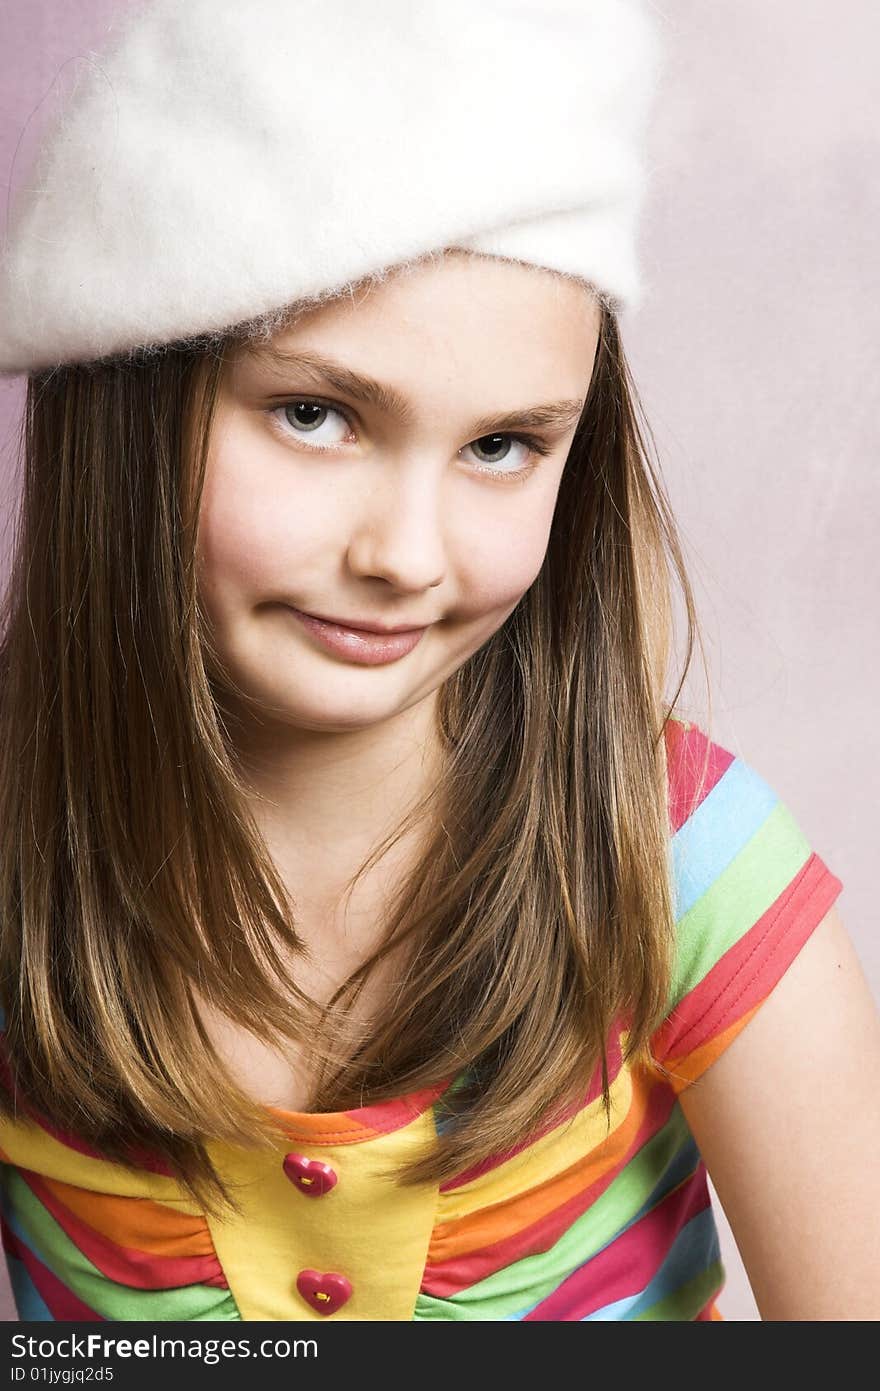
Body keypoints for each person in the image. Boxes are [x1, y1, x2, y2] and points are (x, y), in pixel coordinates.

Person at [0, 0, 877, 1324]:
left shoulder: (681, 866)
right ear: (127, 407)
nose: (408, 555)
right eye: (317, 416)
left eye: (503, 446)